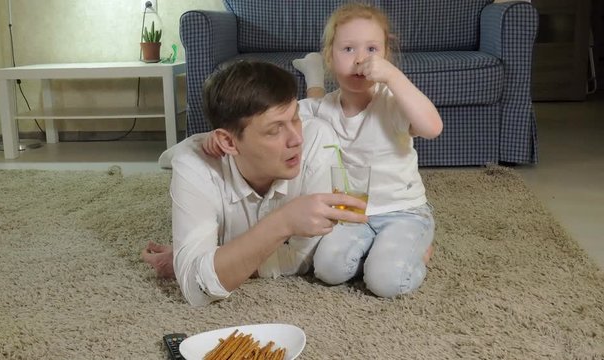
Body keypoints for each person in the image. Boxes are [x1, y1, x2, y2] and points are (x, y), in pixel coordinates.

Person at [142, 60, 368, 307]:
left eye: (295, 118)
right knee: (176, 157)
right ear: (227, 142)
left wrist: (220, 259)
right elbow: (196, 289)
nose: (296, 139)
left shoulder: (317, 141)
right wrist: (284, 222)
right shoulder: (194, 165)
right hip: (202, 154)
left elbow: (307, 255)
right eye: (274, 130)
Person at [290, 3, 443, 298]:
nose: (360, 58)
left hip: (403, 212)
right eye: (348, 49)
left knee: (386, 283)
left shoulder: (392, 102)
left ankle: (417, 252)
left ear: (385, 56)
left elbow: (432, 128)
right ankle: (380, 251)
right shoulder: (325, 109)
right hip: (352, 213)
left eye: (372, 49)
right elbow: (275, 122)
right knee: (328, 270)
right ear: (330, 58)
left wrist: (394, 78)